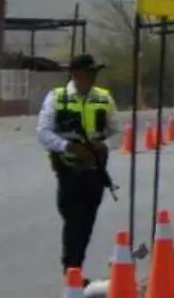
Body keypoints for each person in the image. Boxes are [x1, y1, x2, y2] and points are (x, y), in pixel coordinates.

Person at [35, 54, 117, 273]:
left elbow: (115, 130)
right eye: (88, 73)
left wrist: (101, 144)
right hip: (68, 169)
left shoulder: (103, 98)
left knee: (87, 222)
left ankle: (74, 266)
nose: (92, 77)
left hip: (95, 170)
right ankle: (72, 268)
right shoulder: (57, 98)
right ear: (75, 74)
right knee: (73, 220)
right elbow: (43, 132)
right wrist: (69, 147)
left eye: (94, 73)